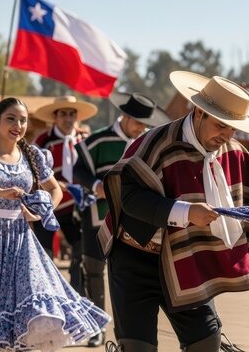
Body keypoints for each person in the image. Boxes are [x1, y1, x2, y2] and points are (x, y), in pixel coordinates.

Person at [98, 71, 249, 352]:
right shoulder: (156, 142)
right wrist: (185, 212)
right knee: (137, 347)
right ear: (199, 112)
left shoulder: (233, 151)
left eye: (232, 129)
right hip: (135, 257)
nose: (226, 136)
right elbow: (128, 197)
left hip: (186, 259)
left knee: (206, 342)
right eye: (220, 126)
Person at [0, 97, 109, 351]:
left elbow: (55, 189)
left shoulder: (33, 155)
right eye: (11, 118)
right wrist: (0, 193)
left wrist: (42, 210)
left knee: (22, 308)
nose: (18, 124)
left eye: (22, 120)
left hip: (20, 239)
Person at [72, 92, 171, 347]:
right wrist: (96, 186)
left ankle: (126, 331)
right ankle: (96, 328)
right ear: (125, 116)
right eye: (138, 122)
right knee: (93, 271)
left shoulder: (147, 143)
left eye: (145, 124)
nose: (141, 128)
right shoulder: (97, 140)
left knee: (125, 275)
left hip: (133, 223)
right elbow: (77, 169)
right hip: (98, 216)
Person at [33, 95, 97, 294]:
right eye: (63, 114)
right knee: (45, 254)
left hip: (77, 208)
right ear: (55, 117)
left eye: (72, 114)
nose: (68, 119)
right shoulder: (43, 141)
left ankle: (76, 295)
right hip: (49, 205)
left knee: (81, 251)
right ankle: (48, 294)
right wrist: (54, 185)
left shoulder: (84, 138)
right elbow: (31, 173)